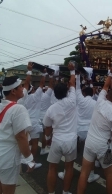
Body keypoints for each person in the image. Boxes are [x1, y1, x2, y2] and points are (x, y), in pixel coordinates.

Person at [77, 67, 112, 194]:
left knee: (84, 172)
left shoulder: (100, 101)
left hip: (90, 142)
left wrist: (110, 73)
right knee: (109, 175)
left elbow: (106, 85)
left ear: (106, 96)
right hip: (104, 147)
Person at [0, 76, 34, 194]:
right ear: (13, 91)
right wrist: (29, 159)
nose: (23, 88)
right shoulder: (18, 109)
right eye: (20, 87)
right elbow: (21, 136)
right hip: (8, 158)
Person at [58, 74, 100, 183]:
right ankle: (90, 174)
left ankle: (66, 173)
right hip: (90, 131)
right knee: (89, 155)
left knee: (71, 154)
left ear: (84, 93)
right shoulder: (96, 103)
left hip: (77, 130)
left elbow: (76, 89)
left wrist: (76, 76)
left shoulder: (80, 100)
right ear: (93, 93)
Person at [43, 63, 77, 194]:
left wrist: (47, 139)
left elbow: (47, 127)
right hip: (71, 140)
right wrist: (72, 70)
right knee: (69, 167)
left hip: (57, 140)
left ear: (55, 94)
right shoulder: (72, 100)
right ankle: (65, 191)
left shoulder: (51, 109)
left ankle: (51, 193)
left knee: (52, 168)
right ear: (67, 91)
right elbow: (73, 84)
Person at [24, 68, 46, 168]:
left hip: (26, 122)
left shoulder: (23, 98)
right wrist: (44, 73)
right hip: (35, 122)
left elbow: (27, 83)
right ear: (32, 90)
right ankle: (32, 163)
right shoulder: (36, 96)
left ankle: (25, 159)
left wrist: (29, 71)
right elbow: (42, 83)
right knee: (35, 143)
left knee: (27, 142)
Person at [40, 74, 54, 155]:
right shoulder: (46, 95)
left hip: (38, 117)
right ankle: (43, 149)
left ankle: (31, 149)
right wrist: (51, 76)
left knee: (36, 136)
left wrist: (44, 75)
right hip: (45, 116)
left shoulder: (37, 96)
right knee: (46, 134)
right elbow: (51, 85)